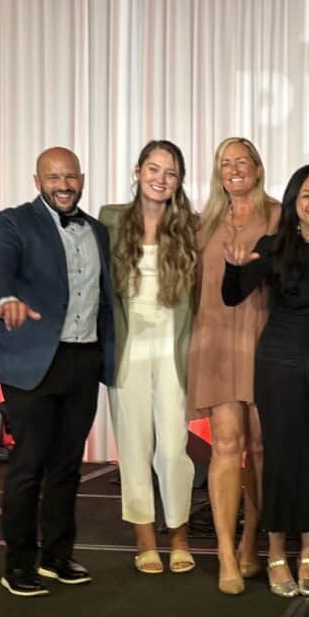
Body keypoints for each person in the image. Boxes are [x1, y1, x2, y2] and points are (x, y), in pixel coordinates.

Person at [0, 147, 114, 596]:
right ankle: (18, 564)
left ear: (82, 178)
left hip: (83, 359)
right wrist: (4, 299)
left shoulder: (97, 230)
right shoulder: (14, 221)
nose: (63, 184)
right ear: (37, 181)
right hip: (33, 359)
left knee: (66, 466)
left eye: (70, 176)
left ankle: (57, 556)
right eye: (53, 177)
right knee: (29, 465)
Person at [223, 165, 309, 598]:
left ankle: (308, 553)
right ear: (294, 201)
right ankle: (275, 551)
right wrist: (232, 267)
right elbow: (233, 295)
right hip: (280, 362)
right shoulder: (272, 247)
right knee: (281, 459)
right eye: (308, 195)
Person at [186, 137, 281, 595]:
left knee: (261, 448)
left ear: (259, 169)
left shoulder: (280, 215)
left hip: (266, 344)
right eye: (226, 162)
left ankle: (250, 543)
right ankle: (224, 552)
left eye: (243, 161)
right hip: (218, 344)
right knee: (226, 444)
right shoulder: (201, 223)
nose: (235, 168)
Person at [100, 140, 197, 575]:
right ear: (137, 170)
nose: (161, 178)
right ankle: (144, 538)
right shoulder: (110, 219)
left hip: (174, 348)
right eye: (153, 169)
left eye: (170, 172)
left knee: (175, 448)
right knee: (135, 446)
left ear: (179, 180)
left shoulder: (191, 225)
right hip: (128, 349)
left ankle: (178, 534)